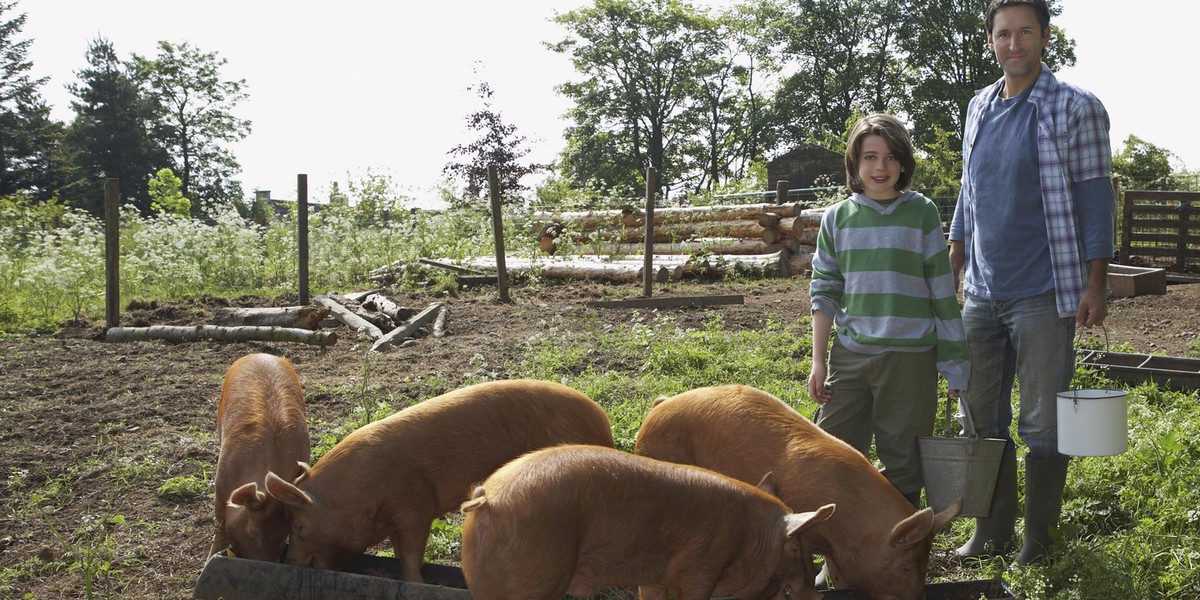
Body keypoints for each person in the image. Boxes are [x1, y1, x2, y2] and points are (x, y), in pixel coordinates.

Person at [948, 0, 1115, 565]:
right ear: (991, 40)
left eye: (1025, 32)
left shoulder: (1075, 107)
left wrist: (1097, 283)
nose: (1013, 43)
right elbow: (968, 195)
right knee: (979, 414)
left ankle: (1037, 542)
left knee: (1043, 420)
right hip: (983, 291)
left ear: (1044, 37)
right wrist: (955, 260)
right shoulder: (977, 107)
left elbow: (1096, 200)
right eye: (1003, 33)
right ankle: (989, 532)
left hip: (1046, 289)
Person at [808, 112, 971, 511]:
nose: (880, 167)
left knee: (903, 457)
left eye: (890, 157)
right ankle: (837, 556)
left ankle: (898, 552)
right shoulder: (837, 218)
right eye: (869, 157)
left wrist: (954, 361)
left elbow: (941, 292)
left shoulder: (922, 213)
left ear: (904, 163)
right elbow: (825, 292)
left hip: (909, 358)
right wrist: (817, 362)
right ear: (854, 162)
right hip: (851, 355)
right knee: (831, 451)